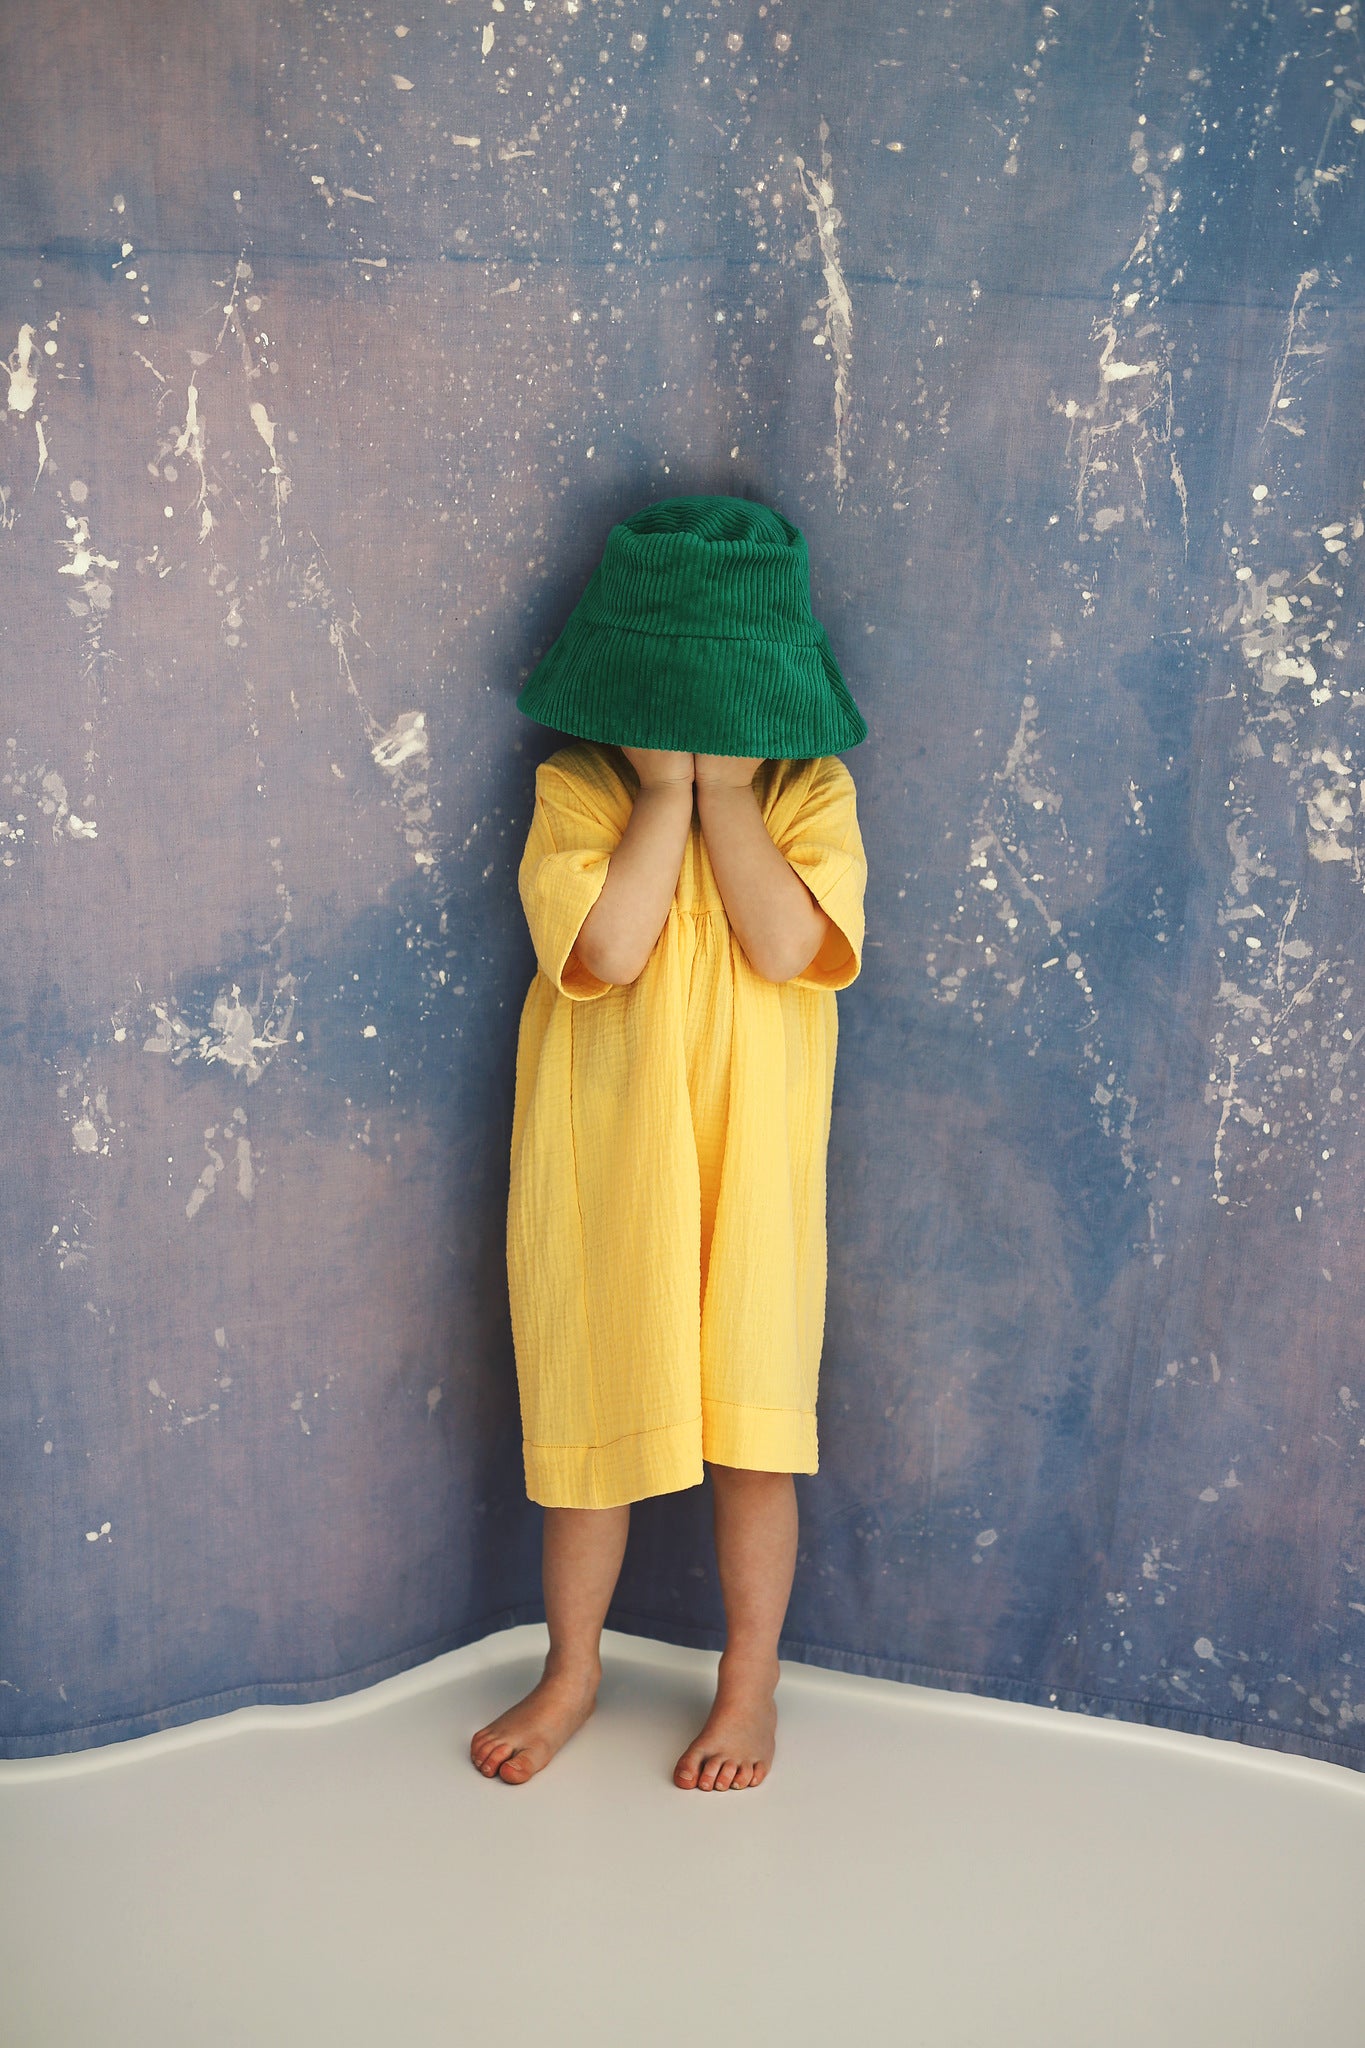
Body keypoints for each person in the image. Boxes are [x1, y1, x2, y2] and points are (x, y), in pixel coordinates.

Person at [472, 494, 869, 1790]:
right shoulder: (574, 788)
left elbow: (785, 946)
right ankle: (573, 1665)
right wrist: (661, 796)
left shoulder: (811, 793)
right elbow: (608, 949)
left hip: (752, 1177)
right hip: (606, 1173)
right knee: (593, 1418)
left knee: (754, 1430)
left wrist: (729, 800)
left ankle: (747, 1685)